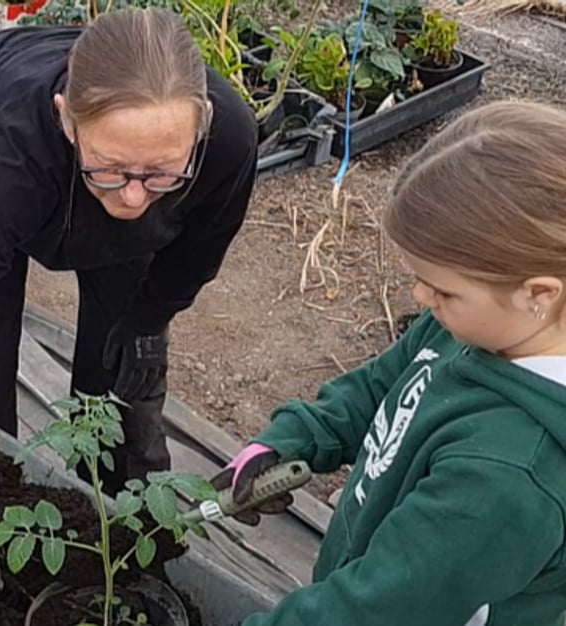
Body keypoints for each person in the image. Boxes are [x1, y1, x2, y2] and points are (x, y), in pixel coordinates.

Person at [0, 7, 258, 626]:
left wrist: (146, 322)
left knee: (114, 372)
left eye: (162, 172)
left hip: (88, 158)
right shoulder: (19, 153)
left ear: (203, 127)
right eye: (113, 168)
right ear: (66, 118)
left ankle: (117, 534)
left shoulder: (227, 142)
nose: (135, 196)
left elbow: (193, 256)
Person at [223, 100, 566, 626]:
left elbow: (369, 611)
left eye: (444, 289)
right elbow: (384, 383)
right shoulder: (482, 328)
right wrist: (294, 437)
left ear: (537, 293)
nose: (420, 295)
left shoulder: (509, 476)